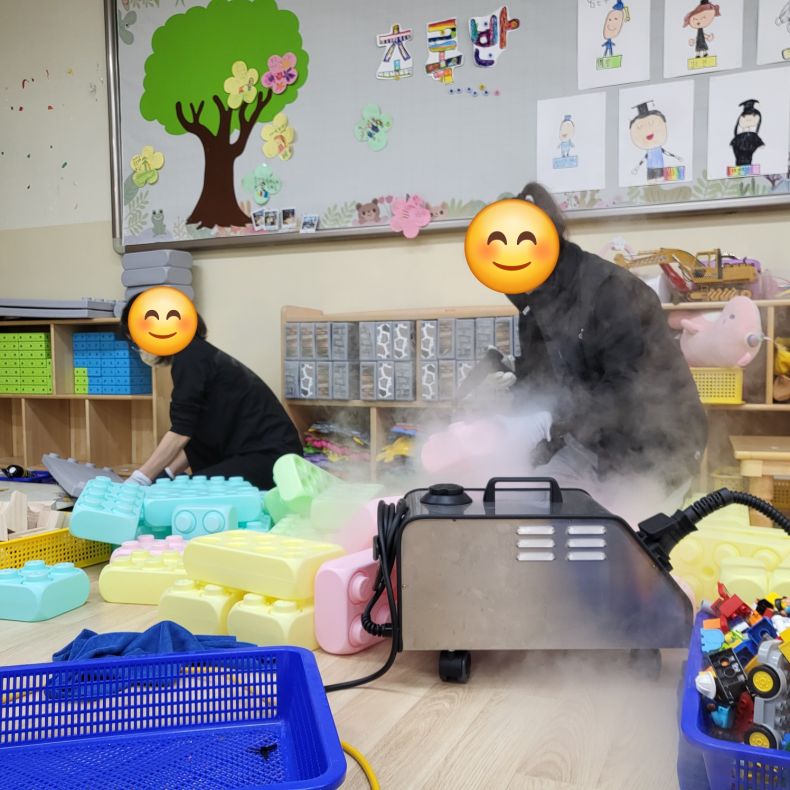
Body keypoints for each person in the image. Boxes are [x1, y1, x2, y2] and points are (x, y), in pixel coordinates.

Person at [497, 182, 708, 514]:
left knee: (617, 534)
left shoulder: (611, 292)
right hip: (587, 445)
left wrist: (549, 418)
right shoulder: (534, 303)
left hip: (656, 448)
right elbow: (538, 383)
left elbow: (629, 391)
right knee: (522, 511)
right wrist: (505, 413)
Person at [119, 295, 302, 489]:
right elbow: (198, 437)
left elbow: (180, 432)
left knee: (185, 493)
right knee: (177, 487)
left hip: (271, 460)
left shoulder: (191, 359)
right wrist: (167, 473)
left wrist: (140, 478)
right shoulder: (196, 354)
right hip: (270, 455)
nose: (141, 348)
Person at [731, 99, 765, 167]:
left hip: (748, 162)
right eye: (745, 118)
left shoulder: (753, 136)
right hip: (739, 163)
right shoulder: (738, 137)